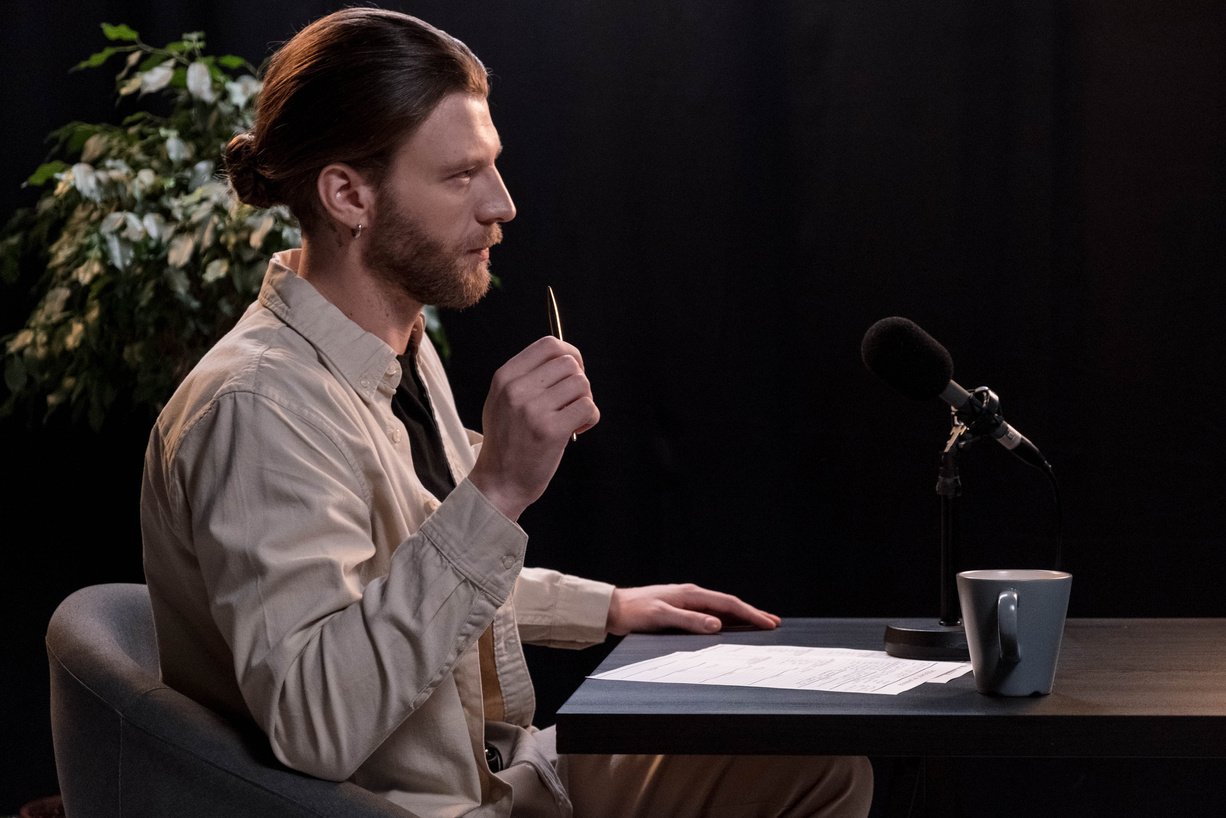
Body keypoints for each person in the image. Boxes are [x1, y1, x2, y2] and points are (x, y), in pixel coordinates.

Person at [139, 7, 873, 816]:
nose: (503, 204)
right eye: (460, 176)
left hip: (503, 772)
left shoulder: (398, 353)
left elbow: (398, 581)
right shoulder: (259, 408)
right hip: (428, 807)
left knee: (823, 764)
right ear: (348, 193)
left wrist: (609, 609)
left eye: (494, 166)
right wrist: (495, 493)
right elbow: (318, 719)